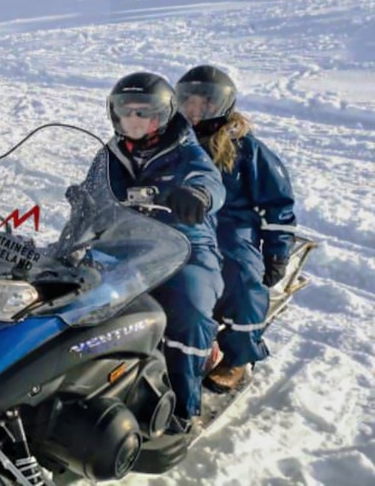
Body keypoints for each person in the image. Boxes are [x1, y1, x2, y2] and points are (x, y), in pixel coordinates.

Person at [100, 71, 226, 428]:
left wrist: (198, 195)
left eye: (145, 112)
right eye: (128, 112)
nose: (135, 120)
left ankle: (184, 407)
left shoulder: (185, 150)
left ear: (163, 115)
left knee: (189, 306)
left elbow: (208, 179)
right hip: (127, 242)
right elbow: (96, 190)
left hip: (185, 244)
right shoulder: (112, 153)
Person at [176, 65, 296, 392]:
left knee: (240, 278)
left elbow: (278, 204)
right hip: (179, 224)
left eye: (206, 104)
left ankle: (239, 356)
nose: (196, 111)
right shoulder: (171, 140)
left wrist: (277, 253)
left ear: (222, 106)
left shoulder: (245, 148)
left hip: (231, 228)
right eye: (190, 103)